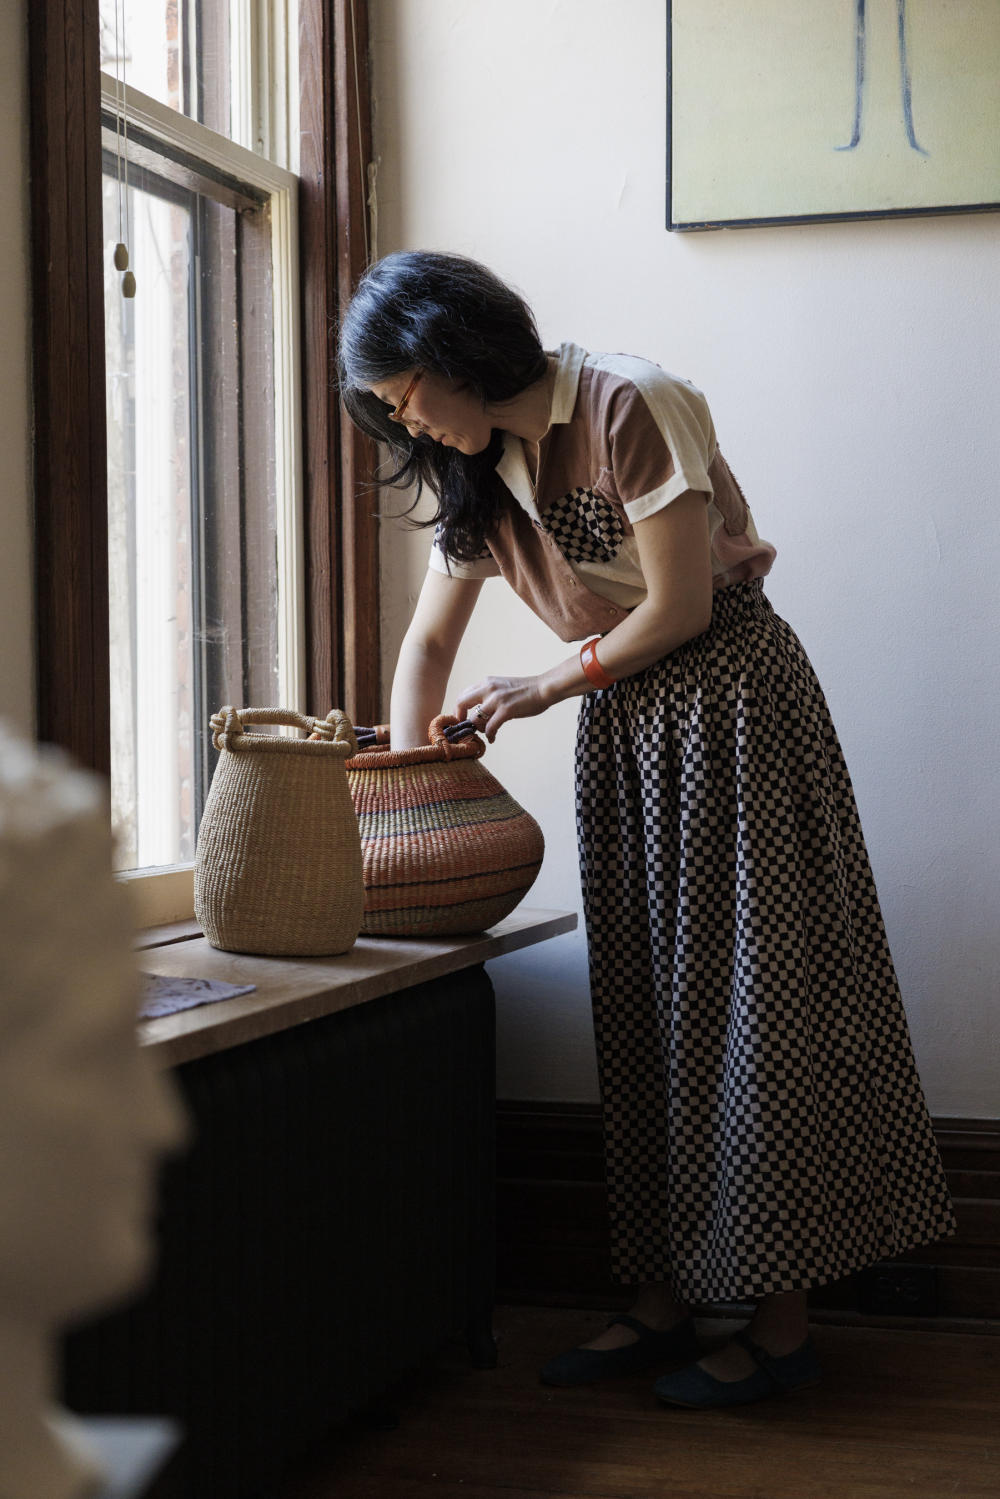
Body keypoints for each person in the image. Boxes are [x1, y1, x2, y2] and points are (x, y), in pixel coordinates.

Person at [338, 250, 957, 1409]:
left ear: (456, 351)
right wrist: (406, 789)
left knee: (754, 1002)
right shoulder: (483, 475)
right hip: (626, 726)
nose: (398, 416)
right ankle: (668, 1296)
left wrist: (538, 685)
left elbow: (683, 605)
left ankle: (779, 1324)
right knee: (646, 1002)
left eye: (402, 391)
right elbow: (425, 648)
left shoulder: (628, 401)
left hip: (733, 704)